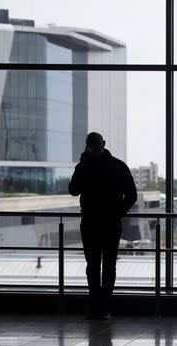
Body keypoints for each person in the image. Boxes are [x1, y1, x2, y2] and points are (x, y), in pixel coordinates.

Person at [69, 132, 137, 320]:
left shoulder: (86, 167)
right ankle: (103, 307)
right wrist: (118, 212)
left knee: (94, 266)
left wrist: (82, 166)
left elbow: (73, 190)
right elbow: (131, 195)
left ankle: (96, 307)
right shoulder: (118, 166)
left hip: (92, 222)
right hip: (109, 223)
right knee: (106, 266)